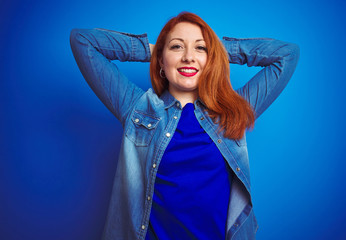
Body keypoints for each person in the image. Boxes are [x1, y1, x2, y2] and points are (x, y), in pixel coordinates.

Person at [70, 12, 299, 240]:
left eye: (200, 48)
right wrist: (155, 50)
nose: (188, 57)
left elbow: (287, 54)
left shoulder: (232, 111)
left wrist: (216, 52)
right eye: (177, 47)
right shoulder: (137, 108)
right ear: (161, 59)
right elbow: (82, 40)